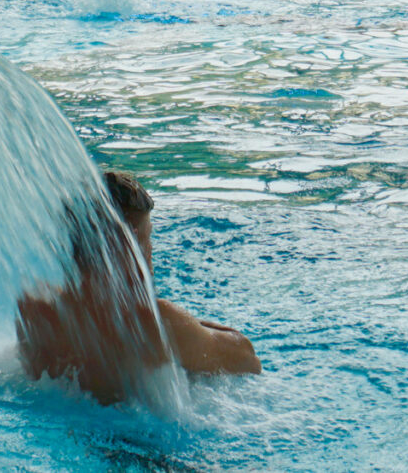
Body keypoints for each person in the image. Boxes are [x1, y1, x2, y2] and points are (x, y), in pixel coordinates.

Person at [17, 169, 259, 403]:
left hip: (70, 436)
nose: (151, 250)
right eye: (147, 237)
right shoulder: (153, 322)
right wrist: (192, 325)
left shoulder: (33, 311)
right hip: (144, 442)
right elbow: (248, 359)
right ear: (127, 244)